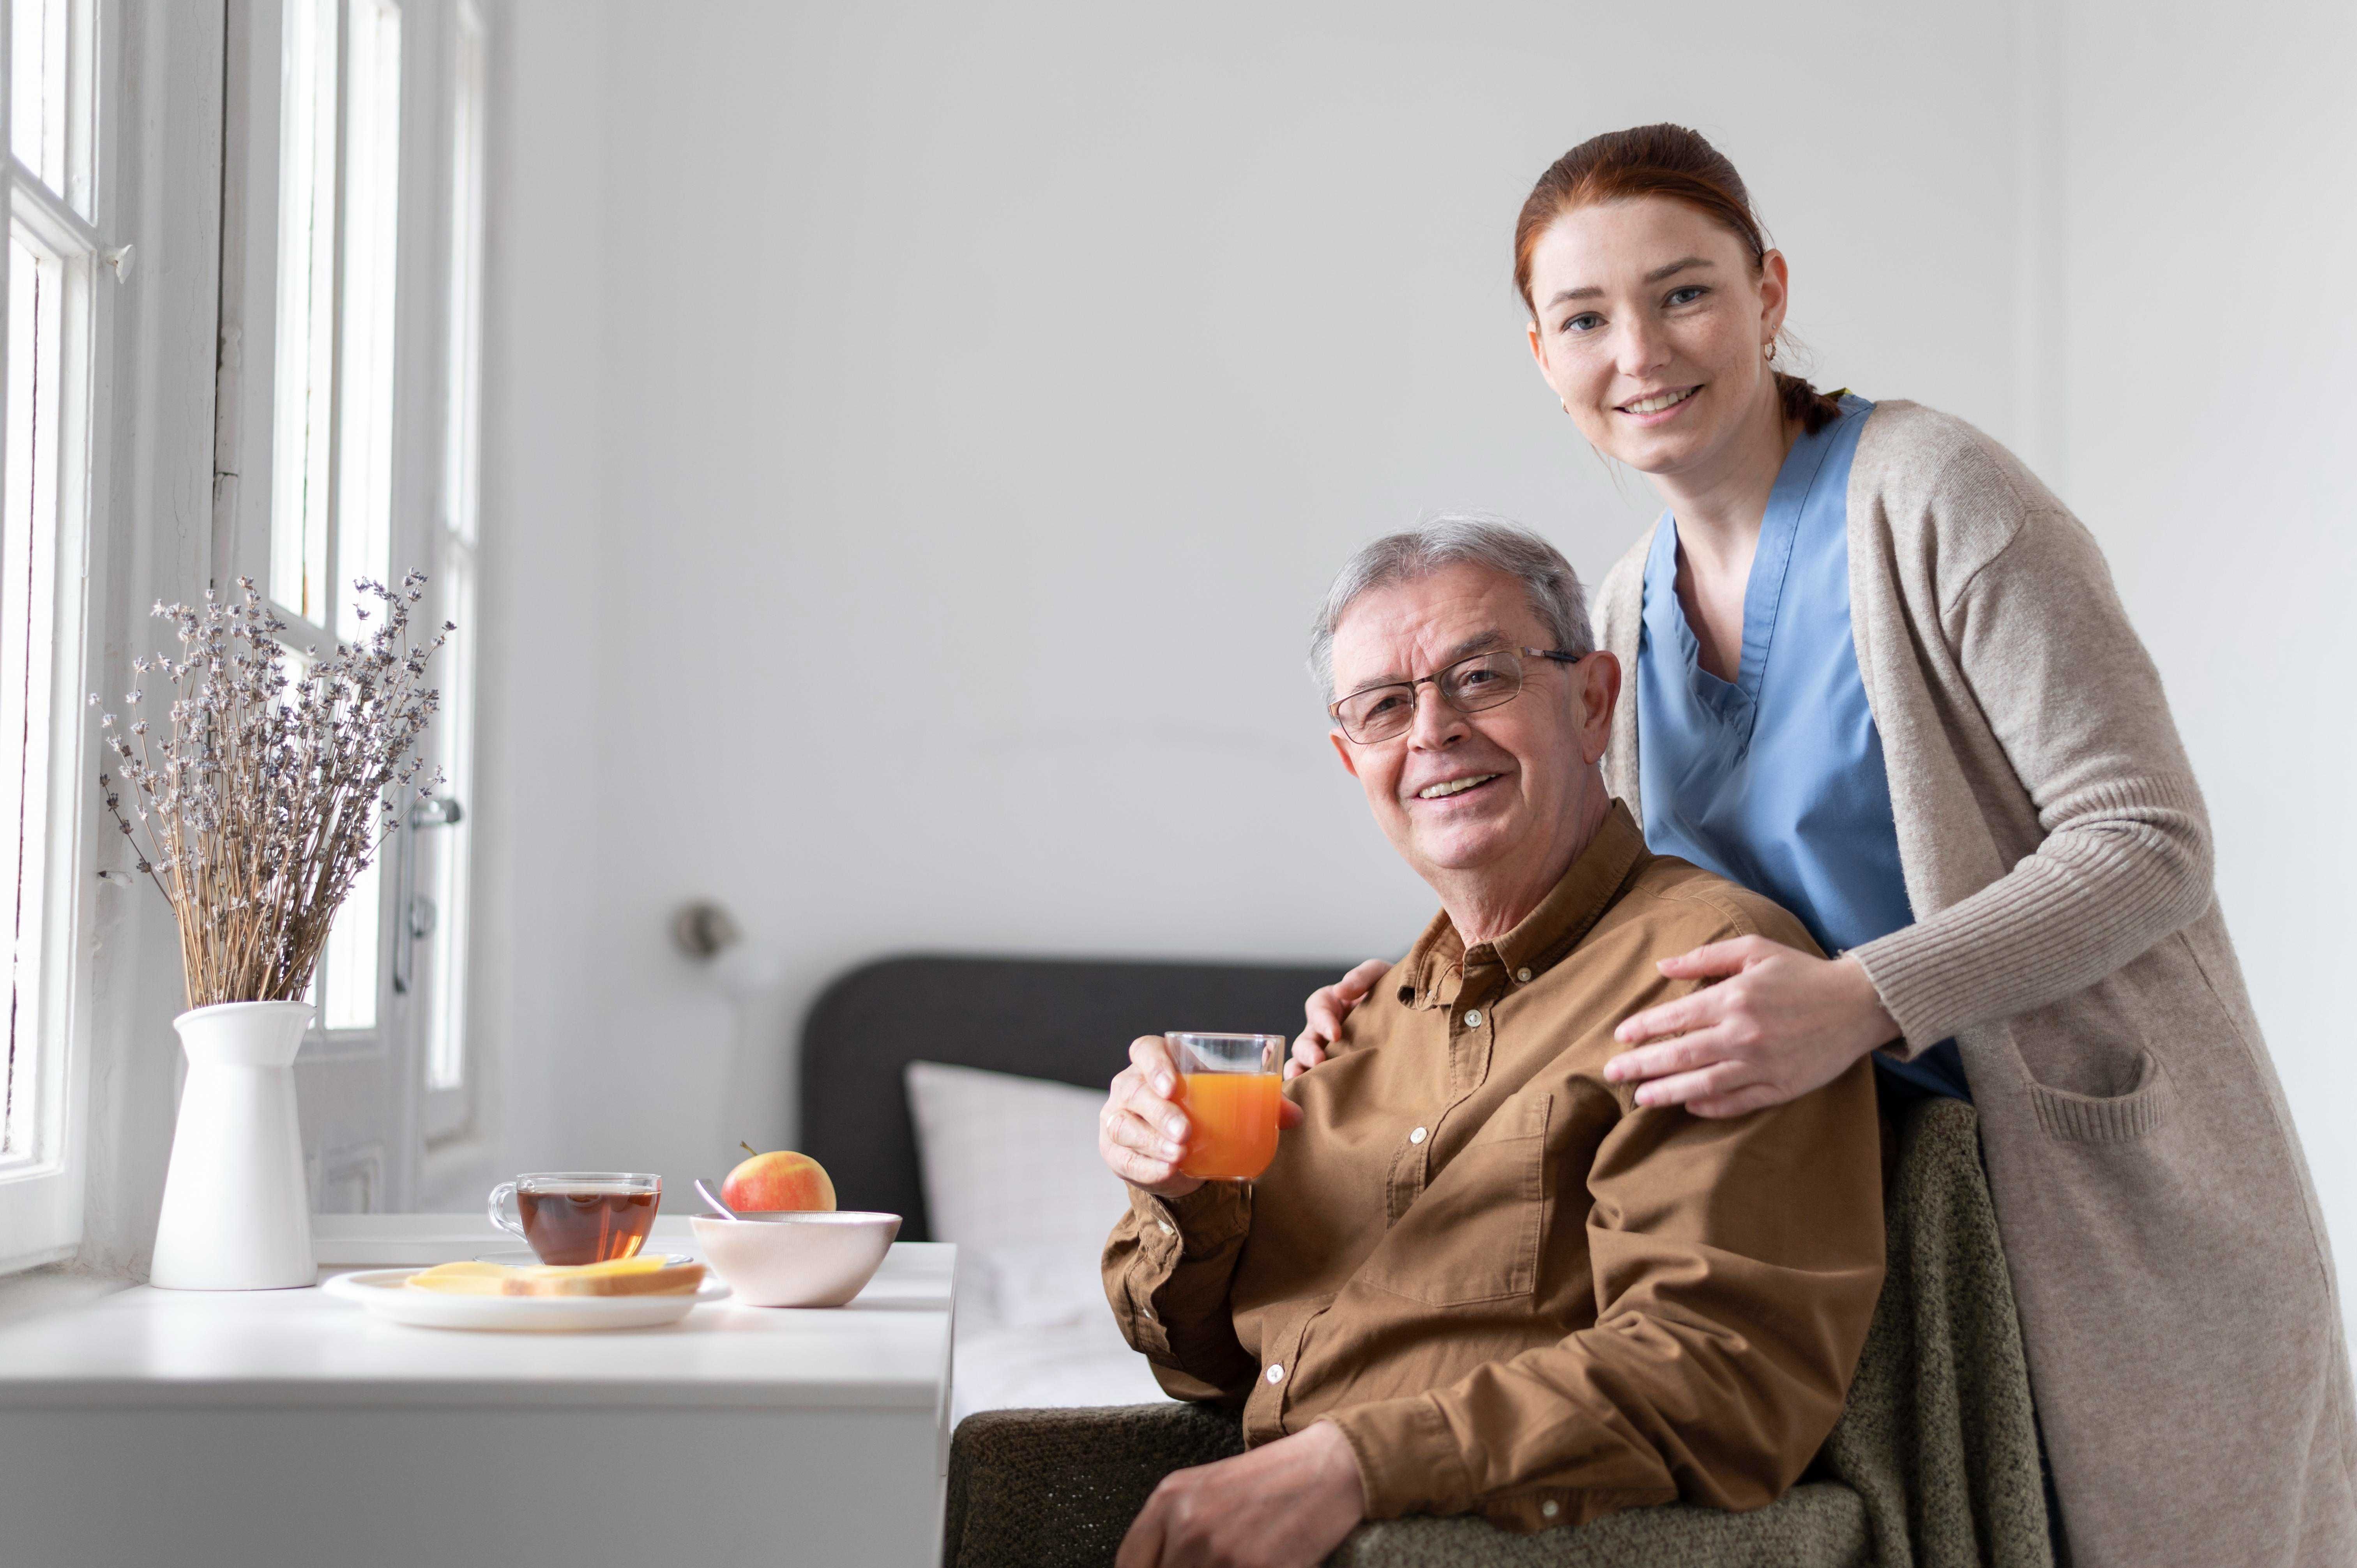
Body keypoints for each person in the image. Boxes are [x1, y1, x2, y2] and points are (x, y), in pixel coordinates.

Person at [1290, 125, 2355, 1568]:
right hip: (1869, 1230)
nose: (1642, 351)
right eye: (1588, 319)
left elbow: (2152, 839)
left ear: (1769, 294)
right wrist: (1403, 1004)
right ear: (1542, 355)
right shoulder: (1616, 618)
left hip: (2102, 1213)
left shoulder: (1933, 497)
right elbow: (1590, 913)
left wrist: (1858, 1001)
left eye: (1685, 295)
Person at [1097, 521, 1887, 1568]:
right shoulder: (1360, 1025)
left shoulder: (1712, 971)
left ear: (1593, 701)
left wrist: (1352, 1466)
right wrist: (1186, 1194)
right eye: (1384, 707)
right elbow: (1213, 1368)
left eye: (1481, 677)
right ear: (1354, 761)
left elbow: (1722, 1376)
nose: (1433, 732)